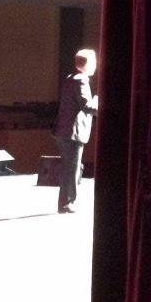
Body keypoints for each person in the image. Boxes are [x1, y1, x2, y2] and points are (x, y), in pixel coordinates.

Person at [53, 48, 98, 214]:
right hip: (73, 131)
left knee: (70, 167)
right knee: (71, 169)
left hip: (64, 130)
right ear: (87, 64)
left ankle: (66, 201)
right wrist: (99, 101)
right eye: (94, 62)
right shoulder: (81, 80)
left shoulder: (71, 78)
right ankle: (67, 203)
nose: (96, 66)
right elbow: (86, 106)